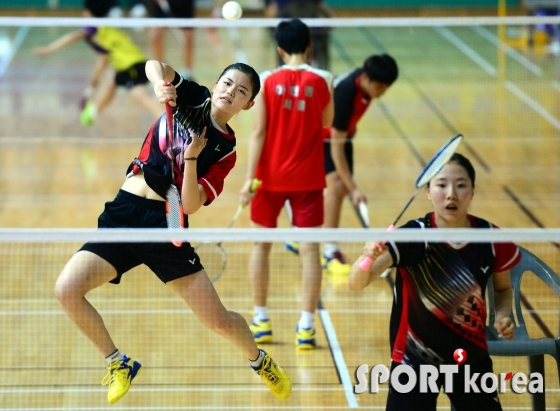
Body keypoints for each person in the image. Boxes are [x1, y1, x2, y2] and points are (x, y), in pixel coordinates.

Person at [54, 59, 292, 404]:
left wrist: (193, 158)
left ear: (248, 104)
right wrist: (158, 84)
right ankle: (118, 362)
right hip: (125, 213)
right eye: (227, 83)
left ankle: (260, 361)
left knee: (219, 321)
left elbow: (191, 204)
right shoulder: (191, 96)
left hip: (168, 223)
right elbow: (155, 65)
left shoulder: (225, 151)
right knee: (67, 290)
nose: (230, 92)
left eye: (241, 91)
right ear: (215, 84)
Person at [348, 153, 520, 411]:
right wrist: (367, 256)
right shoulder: (414, 236)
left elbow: (503, 289)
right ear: (428, 191)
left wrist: (504, 315)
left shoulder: (491, 238)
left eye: (461, 185)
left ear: (472, 191)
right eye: (441, 185)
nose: (451, 194)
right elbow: (356, 283)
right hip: (414, 360)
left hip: (469, 359)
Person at [239, 18, 334, 350]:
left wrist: (249, 180)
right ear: (309, 46)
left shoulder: (265, 81)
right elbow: (326, 123)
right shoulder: (325, 80)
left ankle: (261, 320)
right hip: (308, 179)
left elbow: (258, 133)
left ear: (279, 50)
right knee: (310, 252)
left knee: (260, 247)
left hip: (268, 179)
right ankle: (306, 326)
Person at [320, 54, 399, 276]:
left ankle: (312, 236)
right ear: (365, 78)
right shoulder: (345, 93)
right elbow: (335, 145)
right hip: (321, 138)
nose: (382, 92)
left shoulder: (365, 83)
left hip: (343, 136)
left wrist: (351, 187)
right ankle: (329, 250)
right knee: (337, 185)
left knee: (342, 185)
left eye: (386, 87)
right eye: (380, 86)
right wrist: (356, 189)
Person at [32, 0, 163, 127]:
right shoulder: (105, 30)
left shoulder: (94, 27)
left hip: (132, 65)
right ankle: (92, 113)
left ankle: (167, 123)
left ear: (88, 13)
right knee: (110, 83)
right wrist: (93, 82)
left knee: (140, 97)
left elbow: (72, 37)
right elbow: (104, 59)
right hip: (131, 64)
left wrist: (48, 50)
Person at [265, 0, 333, 70]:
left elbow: (270, 23)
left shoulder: (279, 2)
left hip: (292, 40)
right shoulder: (315, 2)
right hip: (311, 40)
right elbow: (329, 21)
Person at [144, 0, 196, 80]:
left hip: (184, 5)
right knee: (155, 36)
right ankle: (160, 70)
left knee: (187, 40)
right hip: (164, 4)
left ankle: (187, 72)